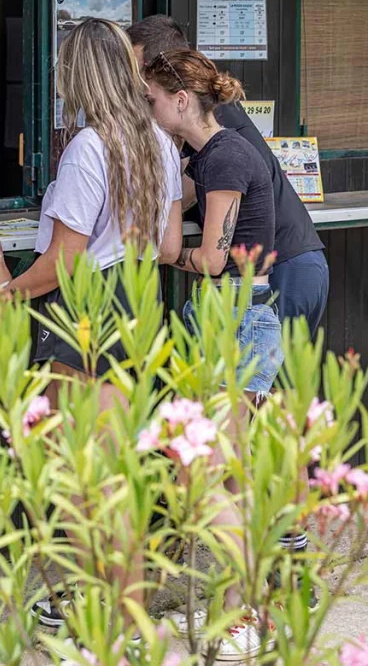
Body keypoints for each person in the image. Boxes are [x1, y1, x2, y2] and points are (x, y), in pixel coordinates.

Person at [0, 17, 183, 630]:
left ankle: (102, 616)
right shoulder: (159, 143)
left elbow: (64, 261)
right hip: (141, 306)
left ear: (76, 74)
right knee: (120, 477)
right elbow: (169, 248)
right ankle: (126, 617)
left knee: (81, 479)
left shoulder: (90, 146)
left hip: (89, 311)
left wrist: (7, 289)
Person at [143, 47, 283, 659]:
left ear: (180, 100)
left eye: (150, 100)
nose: (147, 110)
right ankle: (241, 607)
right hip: (234, 317)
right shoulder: (212, 154)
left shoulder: (223, 156)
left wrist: (161, 250)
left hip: (236, 317)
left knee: (206, 472)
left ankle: (250, 608)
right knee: (218, 471)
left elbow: (214, 258)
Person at [127, 16, 329, 339]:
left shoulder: (216, 129)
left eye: (138, 72)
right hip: (273, 270)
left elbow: (184, 195)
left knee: (273, 388)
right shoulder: (205, 125)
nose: (136, 87)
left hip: (285, 267)